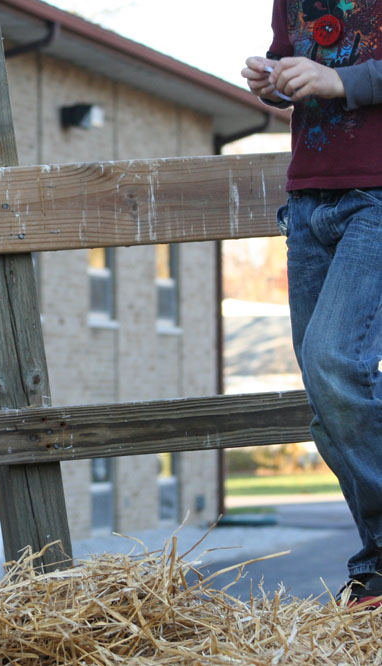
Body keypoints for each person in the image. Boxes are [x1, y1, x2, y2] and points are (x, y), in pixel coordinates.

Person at [242, 1, 382, 606]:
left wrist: (339, 80)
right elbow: (292, 73)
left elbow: (336, 76)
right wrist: (272, 81)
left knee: (333, 362)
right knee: (326, 402)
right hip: (307, 203)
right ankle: (377, 563)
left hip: (377, 197)